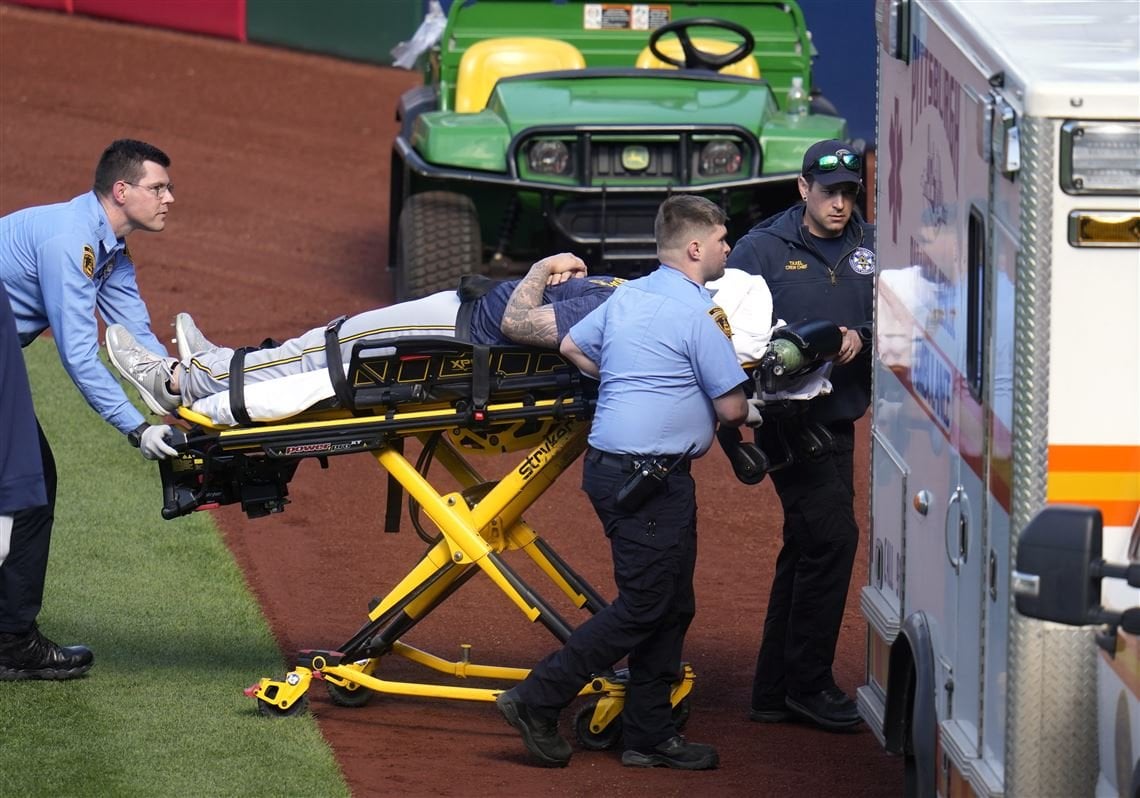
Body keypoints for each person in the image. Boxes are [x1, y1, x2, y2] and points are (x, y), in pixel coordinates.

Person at [495, 194, 760, 770]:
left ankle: (649, 734)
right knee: (645, 606)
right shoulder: (699, 314)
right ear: (695, 248)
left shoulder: (629, 295)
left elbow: (572, 345)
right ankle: (536, 700)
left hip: (621, 471)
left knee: (672, 604)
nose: (728, 248)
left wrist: (625, 378)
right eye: (722, 240)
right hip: (650, 480)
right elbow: (733, 409)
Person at [0, 139, 180, 680]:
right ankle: (11, 642)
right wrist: (136, 428)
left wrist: (188, 391)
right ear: (121, 191)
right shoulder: (71, 240)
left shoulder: (109, 247)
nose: (169, 198)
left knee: (26, 485)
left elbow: (136, 337)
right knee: (29, 486)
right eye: (158, 188)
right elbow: (79, 353)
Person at [725, 139, 875, 731]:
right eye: (829, 192)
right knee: (833, 539)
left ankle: (774, 689)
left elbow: (906, 312)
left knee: (809, 543)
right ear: (803, 188)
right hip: (786, 421)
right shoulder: (760, 249)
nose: (840, 204)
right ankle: (808, 685)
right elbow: (725, 330)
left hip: (840, 418)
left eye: (849, 193)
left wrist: (860, 333)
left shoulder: (872, 245)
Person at [105, 252, 623, 411]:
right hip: (459, 319)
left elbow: (517, 322)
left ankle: (178, 382)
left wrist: (541, 269)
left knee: (328, 352)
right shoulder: (635, 297)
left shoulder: (622, 304)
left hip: (457, 335)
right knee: (327, 341)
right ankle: (220, 365)